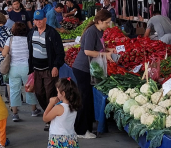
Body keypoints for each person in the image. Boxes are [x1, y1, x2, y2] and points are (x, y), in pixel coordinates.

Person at [72, 9, 115, 138]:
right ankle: (81, 131)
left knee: (87, 99)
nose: (108, 25)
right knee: (85, 99)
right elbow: (87, 52)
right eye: (106, 23)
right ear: (100, 21)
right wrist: (105, 54)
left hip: (88, 68)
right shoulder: (91, 32)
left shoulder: (99, 31)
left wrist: (108, 49)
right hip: (82, 69)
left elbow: (97, 47)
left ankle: (85, 128)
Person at [27, 10, 65, 131]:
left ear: (45, 19)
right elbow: (30, 51)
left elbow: (60, 52)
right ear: (33, 21)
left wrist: (55, 66)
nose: (38, 22)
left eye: (40, 19)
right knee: (39, 93)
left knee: (50, 94)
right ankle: (48, 113)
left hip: (49, 69)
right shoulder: (31, 33)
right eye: (36, 20)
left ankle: (51, 119)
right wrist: (30, 69)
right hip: (36, 69)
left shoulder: (52, 33)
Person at [2, 22, 41, 122]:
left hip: (14, 68)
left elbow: (4, 53)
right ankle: (33, 110)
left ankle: (15, 114)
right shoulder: (29, 39)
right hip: (27, 68)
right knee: (30, 88)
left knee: (14, 90)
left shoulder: (10, 39)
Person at [43, 78, 81, 148]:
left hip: (58, 139)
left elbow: (45, 118)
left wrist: (50, 103)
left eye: (58, 92)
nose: (57, 94)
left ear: (63, 93)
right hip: (71, 138)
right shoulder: (74, 105)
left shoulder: (59, 108)